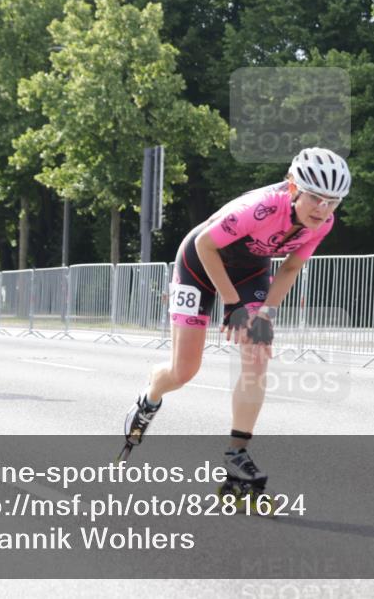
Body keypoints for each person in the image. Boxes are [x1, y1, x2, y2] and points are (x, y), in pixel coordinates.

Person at [122, 148, 351, 493]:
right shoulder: (260, 208)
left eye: (333, 201)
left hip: (249, 271)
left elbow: (290, 267)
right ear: (293, 188)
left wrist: (266, 315)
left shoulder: (325, 222)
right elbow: (204, 244)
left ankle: (236, 454)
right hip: (200, 264)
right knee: (184, 371)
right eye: (316, 198)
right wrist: (232, 305)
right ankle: (151, 393)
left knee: (258, 354)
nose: (323, 209)